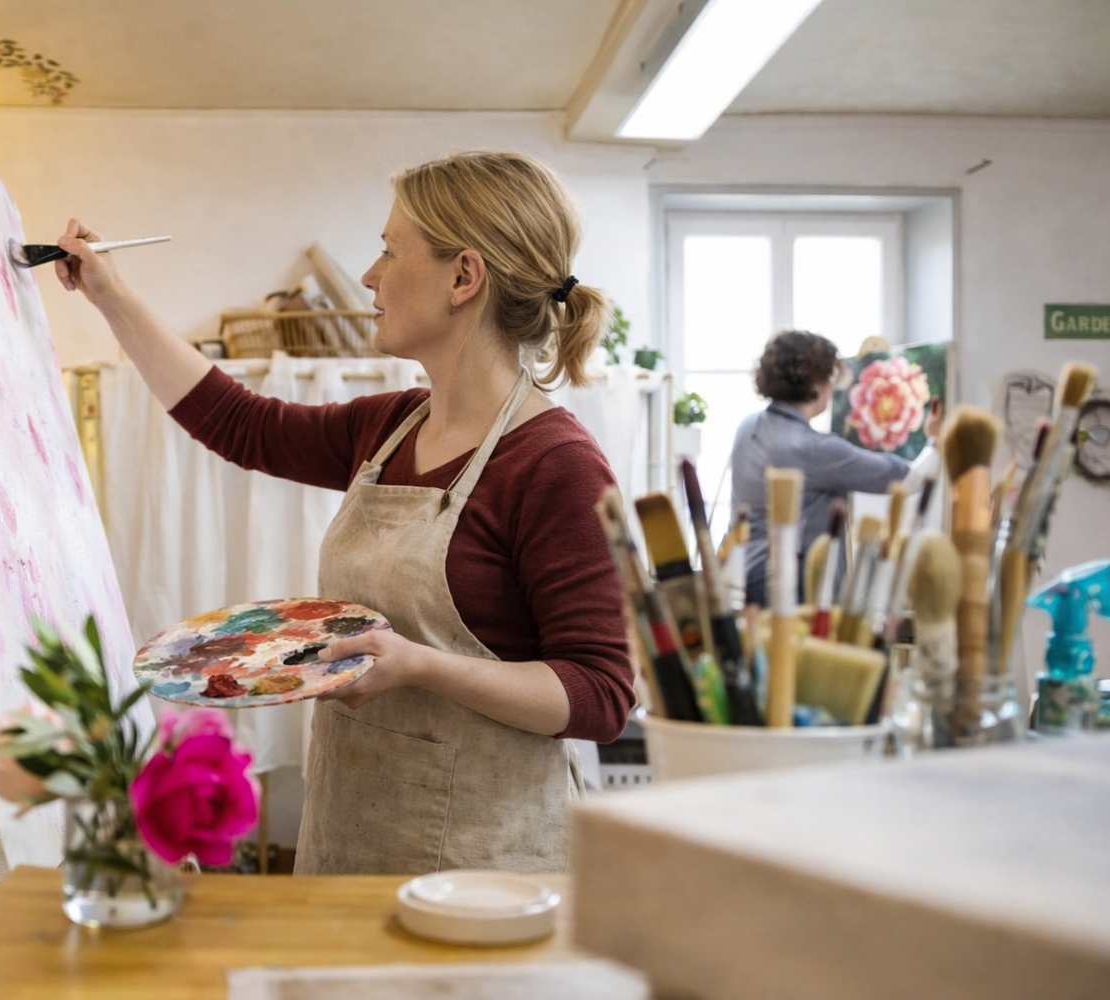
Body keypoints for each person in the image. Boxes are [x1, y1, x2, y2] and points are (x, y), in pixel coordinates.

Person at [54, 151, 635, 875]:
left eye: (391, 251)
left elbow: (601, 695)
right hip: (352, 836)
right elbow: (240, 424)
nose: (369, 276)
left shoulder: (556, 465)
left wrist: (421, 666)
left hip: (487, 875)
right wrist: (109, 295)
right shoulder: (389, 427)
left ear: (464, 277)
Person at [730, 330, 943, 607]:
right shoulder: (815, 450)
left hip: (743, 580)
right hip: (793, 590)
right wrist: (936, 438)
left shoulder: (748, 426)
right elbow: (909, 480)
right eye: (830, 379)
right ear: (816, 386)